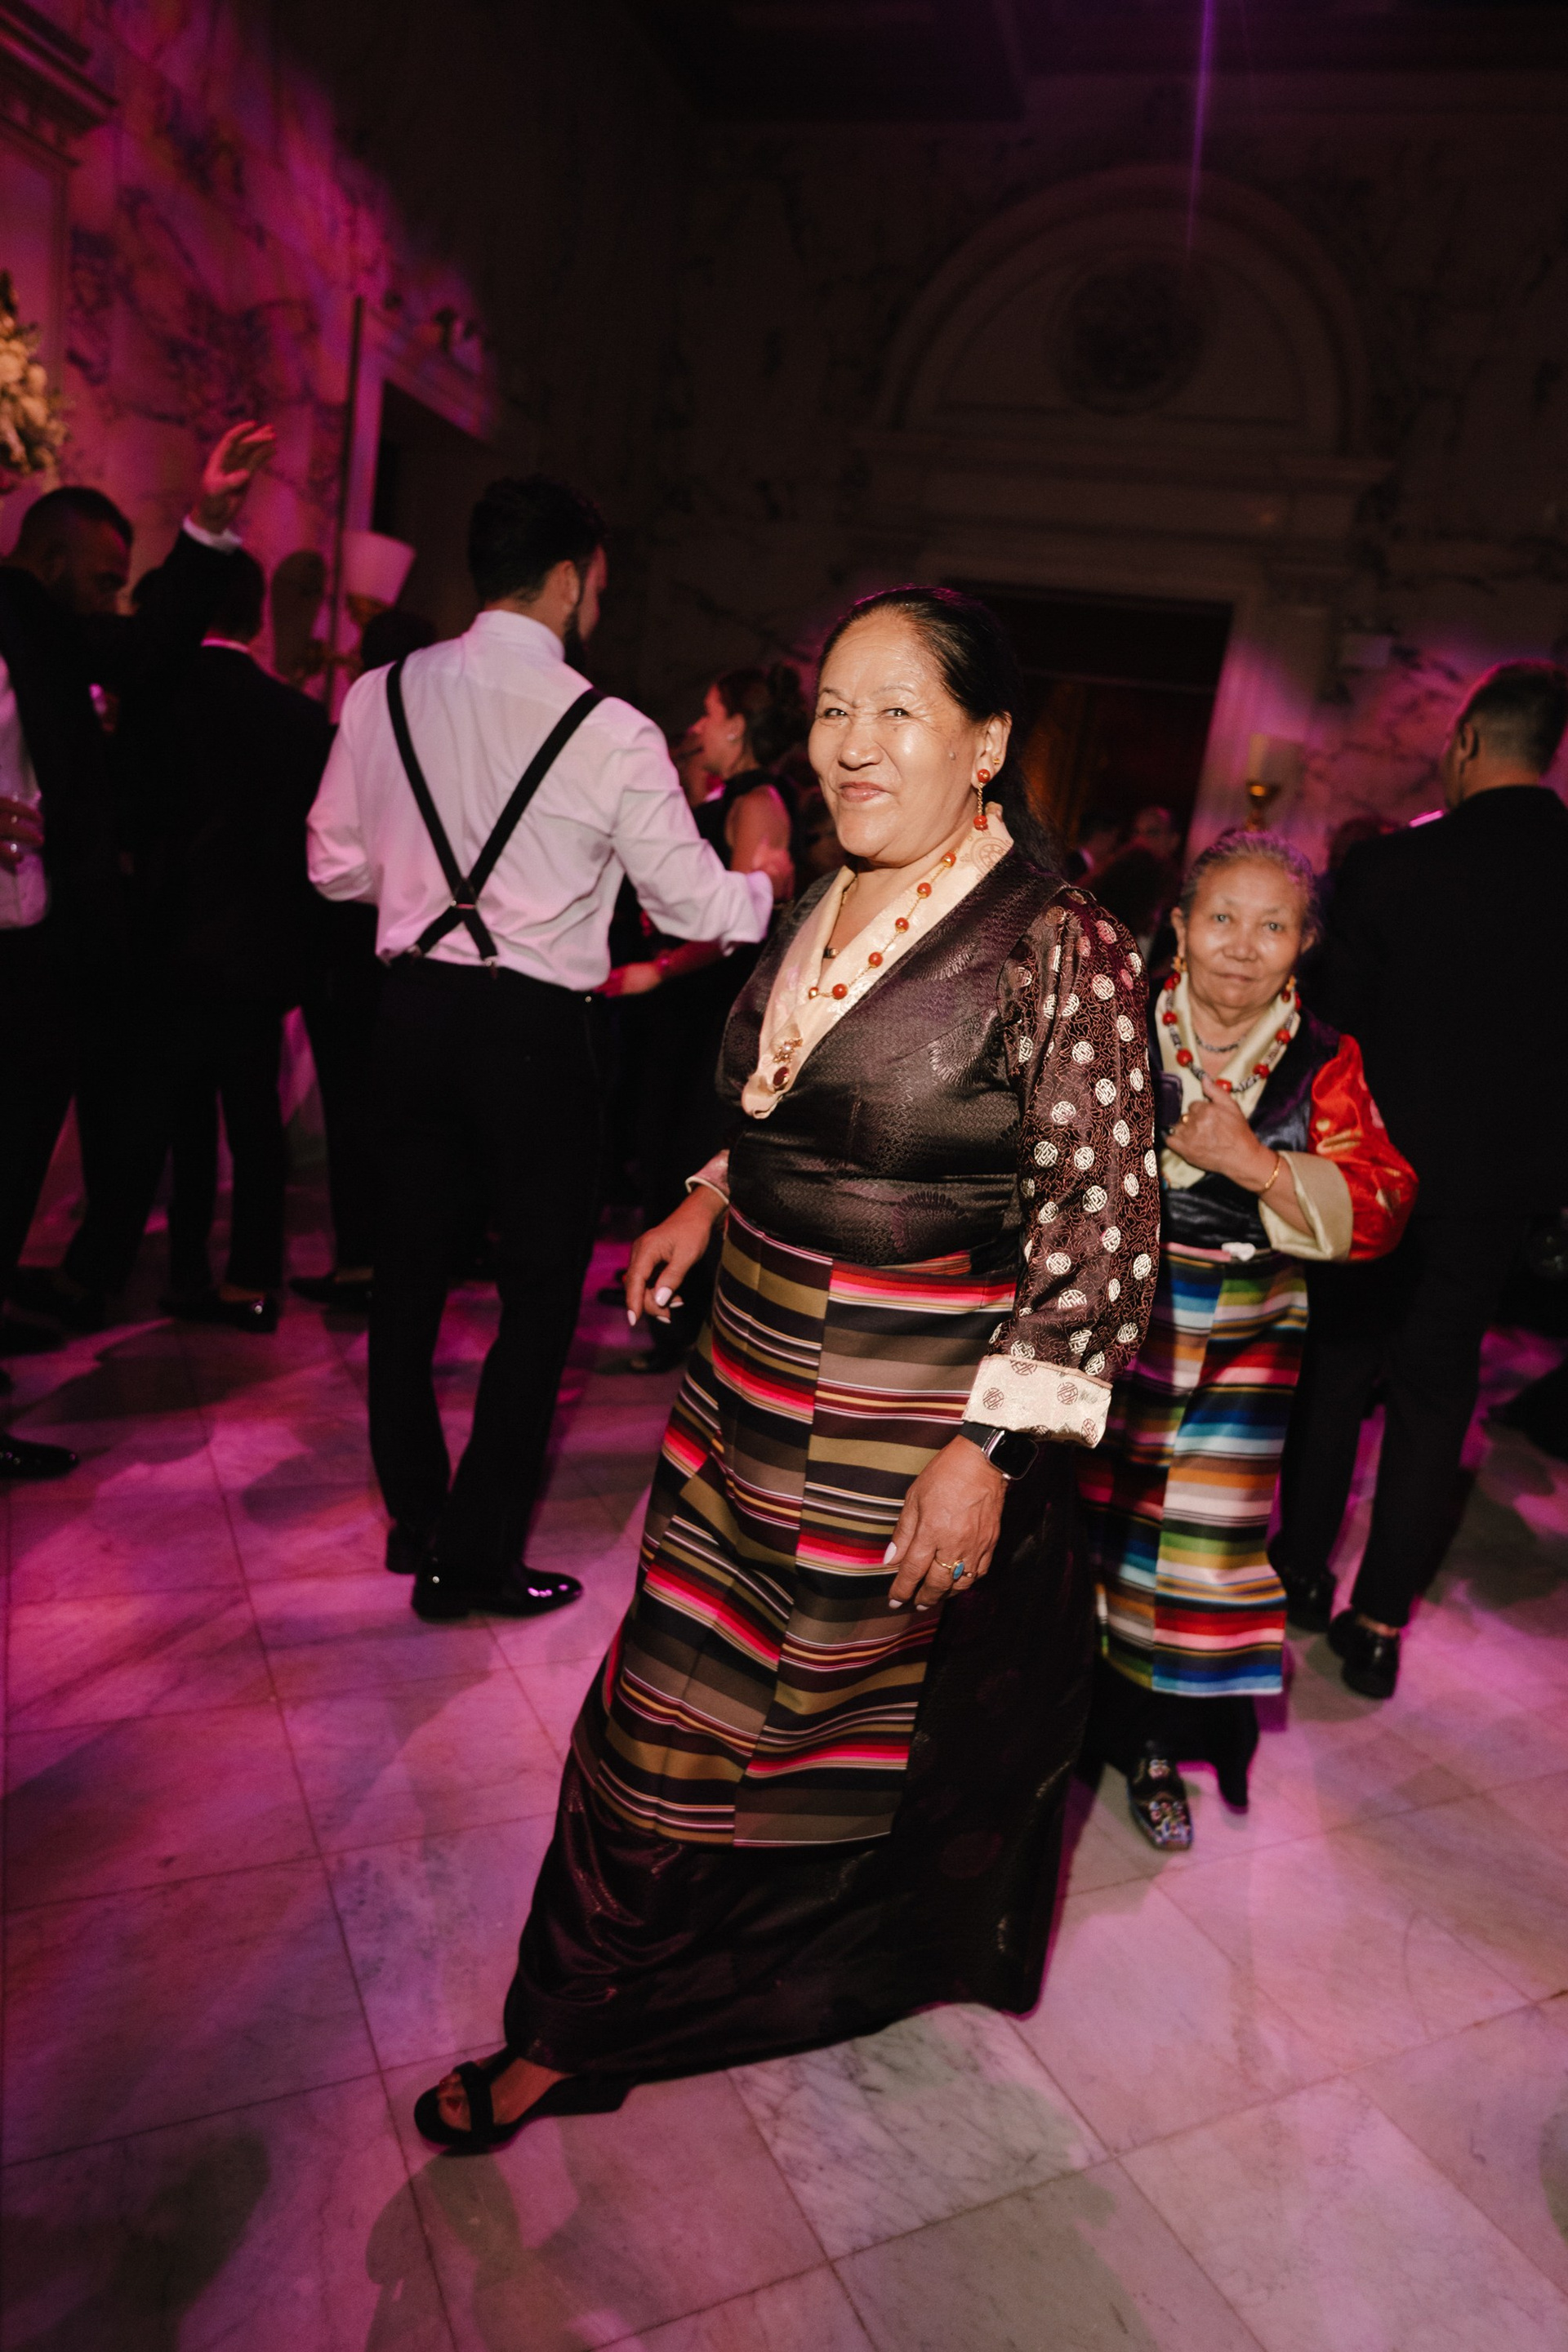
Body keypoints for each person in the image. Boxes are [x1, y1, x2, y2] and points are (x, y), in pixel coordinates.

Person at [412, 583, 1159, 2154]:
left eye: (899, 713)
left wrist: (986, 1462)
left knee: (749, 1749)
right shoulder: (830, 892)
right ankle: (606, 2005)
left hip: (892, 1435)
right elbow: (788, 1100)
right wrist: (706, 1191)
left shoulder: (1061, 944)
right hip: (736, 1401)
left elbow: (1103, 1248)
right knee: (670, 1720)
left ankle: (571, 2027)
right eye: (833, 711)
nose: (851, 745)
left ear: (987, 744)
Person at [307, 475, 791, 1620]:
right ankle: (472, 1556)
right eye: (601, 586)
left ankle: (418, 1517)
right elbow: (690, 903)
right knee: (537, 1293)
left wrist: (423, 895)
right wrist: (766, 885)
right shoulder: (611, 730)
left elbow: (332, 865)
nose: (599, 606)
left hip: (409, 1013)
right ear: (570, 578)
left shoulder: (380, 692)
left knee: (406, 1275)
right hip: (534, 1032)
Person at [1079, 831, 1415, 1846]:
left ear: (1305, 944)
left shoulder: (1327, 1061)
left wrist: (1255, 1166)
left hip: (1243, 1339)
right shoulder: (1109, 1021)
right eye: (1222, 917)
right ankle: (1046, 1727)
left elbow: (1384, 1204)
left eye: (1273, 926)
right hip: (1099, 1313)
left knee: (1191, 1559)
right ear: (1179, 927)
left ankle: (1149, 1742)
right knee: (1075, 1530)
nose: (1241, 944)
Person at [1271, 662, 1568, 1698]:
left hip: (1377, 1171)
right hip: (1499, 1190)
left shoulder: (1395, 867)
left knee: (1338, 1369)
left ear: (1471, 740)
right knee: (1440, 1393)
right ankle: (1381, 1623)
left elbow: (1329, 1024)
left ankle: (1300, 1575)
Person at [0, 423, 273, 1475]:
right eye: (105, 581)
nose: (114, 604)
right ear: (52, 558)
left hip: (38, 947)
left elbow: (146, 651)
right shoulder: (21, 611)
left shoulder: (39, 631)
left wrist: (209, 521)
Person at [127, 550, 333, 1329]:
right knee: (254, 1121)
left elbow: (139, 825)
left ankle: (186, 1270)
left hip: (174, 941)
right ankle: (253, 1278)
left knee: (185, 1121)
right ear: (256, 614)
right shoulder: (298, 717)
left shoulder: (161, 700)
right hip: (261, 950)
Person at [602, 662, 804, 1370]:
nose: (697, 726)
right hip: (689, 1007)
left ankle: (681, 1325)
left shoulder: (760, 801)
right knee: (659, 1148)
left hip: (713, 1012)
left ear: (738, 727)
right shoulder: (732, 795)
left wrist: (658, 968)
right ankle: (664, 1297)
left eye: (710, 712)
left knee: (682, 1156)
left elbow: (738, 930)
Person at [292, 607, 440, 1316]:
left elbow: (320, 860)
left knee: (354, 1114)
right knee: (411, 1119)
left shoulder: (346, 739)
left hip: (348, 953)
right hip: (420, 961)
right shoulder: (446, 753)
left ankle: (361, 1260)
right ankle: (410, 1261)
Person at [1064, 806, 1121, 880]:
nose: (1115, 844)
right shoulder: (1075, 870)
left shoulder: (1070, 863)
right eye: (1115, 837)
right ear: (1102, 836)